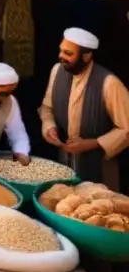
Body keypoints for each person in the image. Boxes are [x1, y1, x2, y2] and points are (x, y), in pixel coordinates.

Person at [39, 28, 129, 191]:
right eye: (61, 51)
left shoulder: (110, 83)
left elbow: (126, 129)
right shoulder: (56, 71)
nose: (61, 57)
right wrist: (49, 126)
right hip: (66, 161)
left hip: (100, 166)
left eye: (68, 53)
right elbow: (47, 108)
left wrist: (92, 144)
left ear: (86, 56)